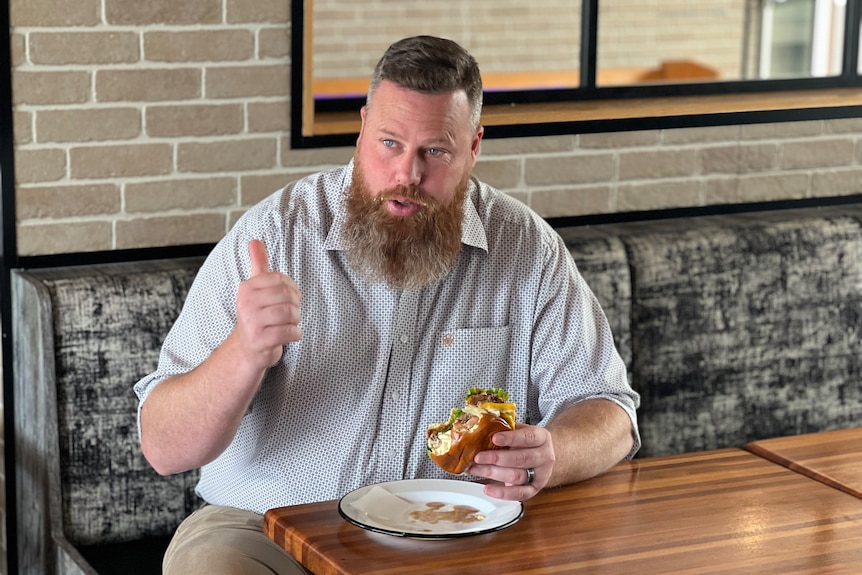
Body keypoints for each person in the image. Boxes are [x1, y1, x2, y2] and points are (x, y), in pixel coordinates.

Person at [134, 35, 640, 574]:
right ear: (362, 127)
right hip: (266, 529)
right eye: (390, 143)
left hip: (457, 537)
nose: (407, 175)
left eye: (435, 151)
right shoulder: (274, 235)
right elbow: (164, 447)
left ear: (473, 147)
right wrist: (244, 351)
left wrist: (552, 454)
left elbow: (611, 413)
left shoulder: (527, 248)